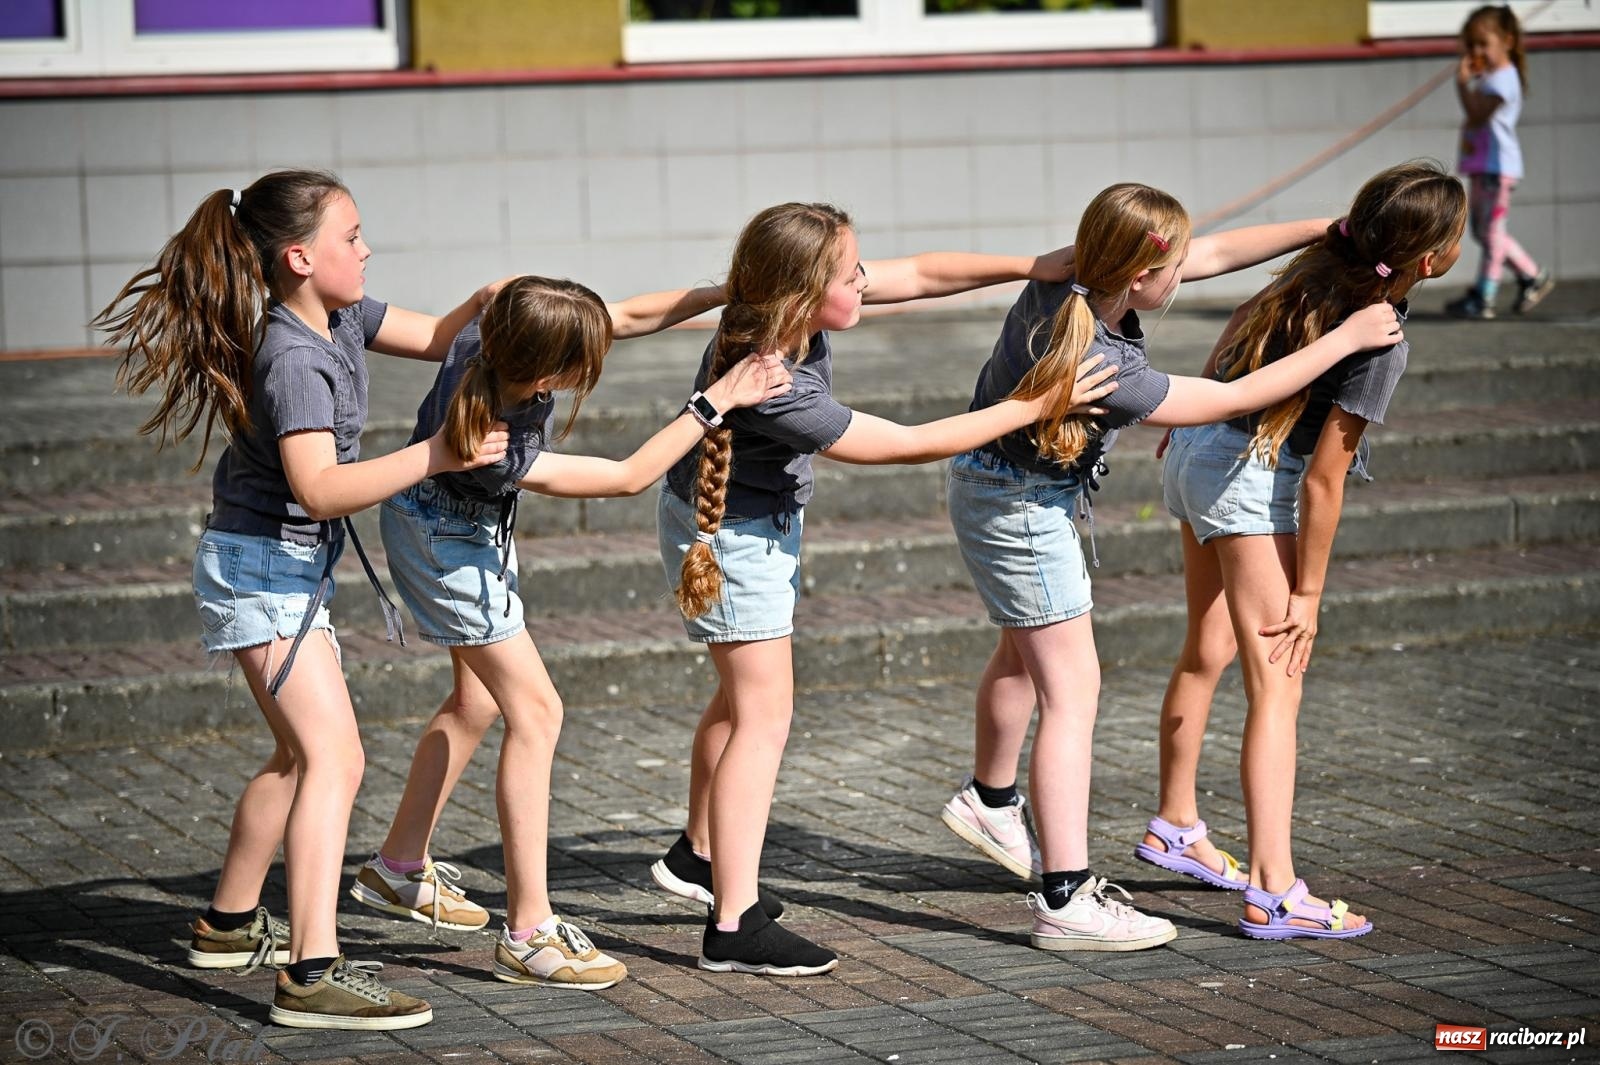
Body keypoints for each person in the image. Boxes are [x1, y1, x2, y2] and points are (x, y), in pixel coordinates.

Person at [92, 170, 515, 1029]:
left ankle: (227, 923)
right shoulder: (291, 354)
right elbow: (320, 488)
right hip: (261, 573)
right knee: (336, 757)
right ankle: (311, 971)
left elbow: (439, 335)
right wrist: (438, 454)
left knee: (297, 756)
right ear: (299, 256)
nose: (366, 248)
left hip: (281, 571)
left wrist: (486, 301)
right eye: (352, 236)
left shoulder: (342, 316)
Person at [652, 202, 1121, 976]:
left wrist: (1030, 265)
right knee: (763, 717)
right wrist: (1033, 405)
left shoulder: (787, 312)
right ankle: (732, 924)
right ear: (805, 295)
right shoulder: (775, 378)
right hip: (732, 536)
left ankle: (700, 857)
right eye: (851, 275)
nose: (868, 282)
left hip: (741, 520)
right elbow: (905, 444)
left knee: (740, 701)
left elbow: (925, 272)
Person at [939, 182, 1406, 952]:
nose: (1192, 270)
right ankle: (1065, 896)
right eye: (1177, 265)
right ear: (1140, 277)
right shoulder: (1105, 364)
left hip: (1002, 488)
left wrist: (1330, 227)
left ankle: (990, 798)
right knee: (1074, 689)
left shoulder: (1069, 277)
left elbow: (1220, 251)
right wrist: (1349, 337)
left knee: (1024, 651)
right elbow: (1241, 393)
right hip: (1020, 505)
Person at [351, 275, 790, 990]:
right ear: (550, 373)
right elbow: (626, 475)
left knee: (481, 700)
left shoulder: (491, 331)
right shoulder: (493, 443)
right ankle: (528, 931)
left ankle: (397, 866)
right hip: (448, 543)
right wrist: (718, 399)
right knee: (538, 711)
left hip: (443, 524)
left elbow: (633, 310)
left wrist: (724, 291)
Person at [1147, 161, 1467, 940]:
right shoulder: (1381, 333)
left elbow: (1238, 326)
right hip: (1253, 476)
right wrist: (1309, 596)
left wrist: (1192, 421)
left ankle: (1176, 825)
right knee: (1279, 685)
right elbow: (1323, 481)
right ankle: (1274, 889)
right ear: (1429, 260)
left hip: (1199, 447)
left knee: (1208, 644)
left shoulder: (1312, 272)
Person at [1447, 3, 1553, 319]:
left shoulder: (1503, 79)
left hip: (1497, 168)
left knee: (1491, 232)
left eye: (1484, 43)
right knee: (1483, 230)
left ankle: (1485, 295)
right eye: (1472, 44)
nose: (1477, 50)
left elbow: (1477, 116)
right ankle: (1532, 276)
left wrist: (1462, 84)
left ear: (1506, 41)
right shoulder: (1493, 77)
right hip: (1485, 167)